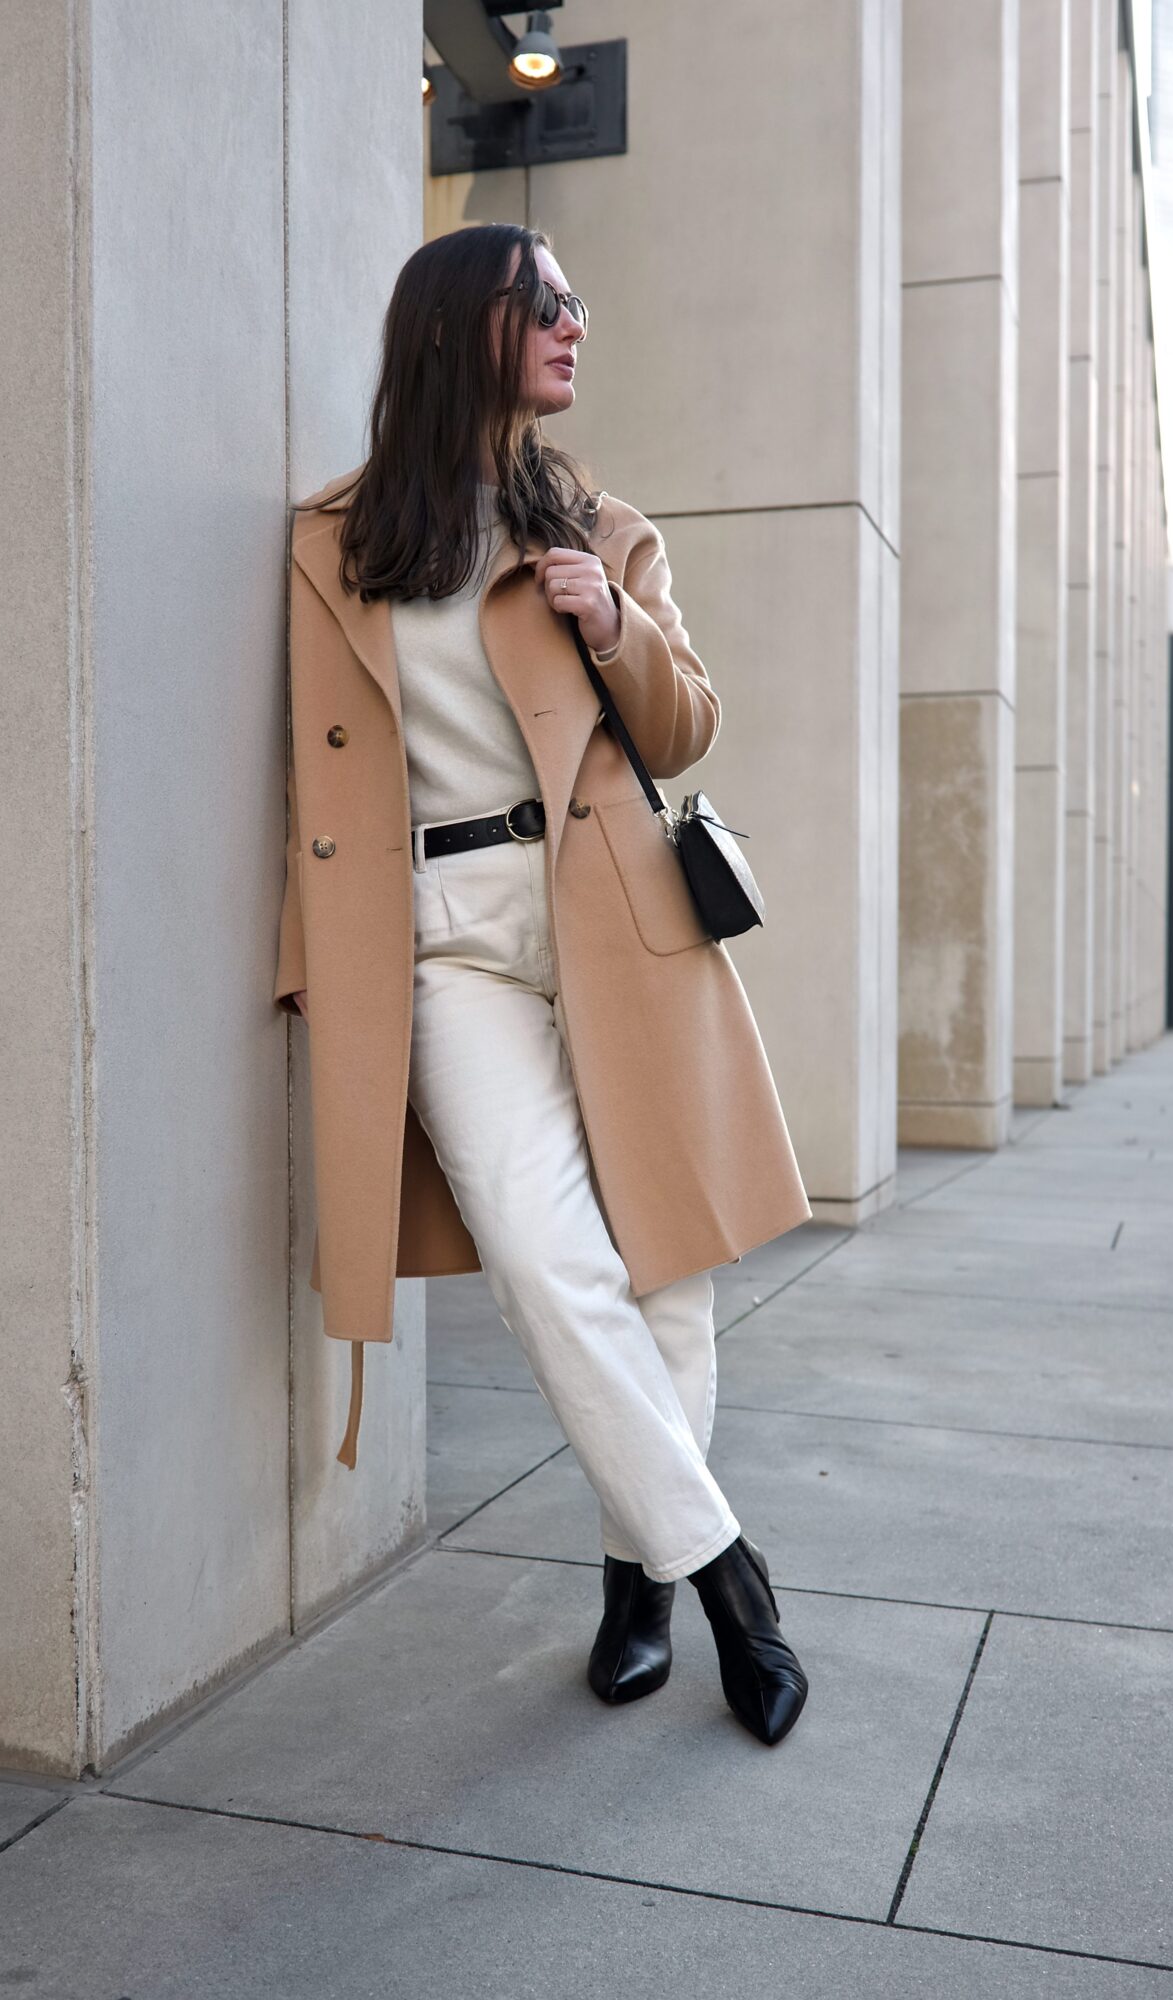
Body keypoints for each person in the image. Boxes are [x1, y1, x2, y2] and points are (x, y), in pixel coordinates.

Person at [277, 223, 810, 1747]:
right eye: (546, 306)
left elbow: (688, 723)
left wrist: (611, 620)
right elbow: (297, 773)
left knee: (668, 1277)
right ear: (459, 329)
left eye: (578, 302)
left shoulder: (600, 525)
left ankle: (637, 1582)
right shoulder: (331, 541)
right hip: (437, 935)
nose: (577, 326)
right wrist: (305, 960)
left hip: (609, 917)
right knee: (540, 1254)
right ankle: (730, 1583)